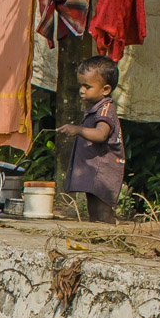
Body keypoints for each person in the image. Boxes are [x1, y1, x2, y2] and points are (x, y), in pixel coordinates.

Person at [57, 55, 126, 224]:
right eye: (81, 85)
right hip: (95, 170)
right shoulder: (96, 108)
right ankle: (96, 237)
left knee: (103, 210)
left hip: (104, 170)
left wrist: (78, 130)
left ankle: (108, 238)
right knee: (93, 209)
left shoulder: (106, 109)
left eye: (87, 86)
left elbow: (101, 134)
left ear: (106, 89)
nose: (82, 90)